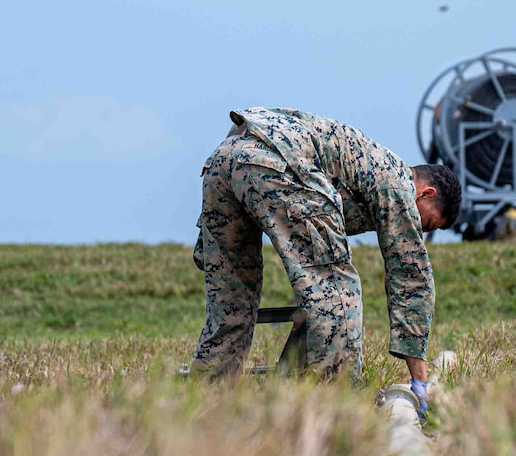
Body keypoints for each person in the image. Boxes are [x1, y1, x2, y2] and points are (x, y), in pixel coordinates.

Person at [189, 107, 460, 408]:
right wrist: (419, 380)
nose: (418, 230)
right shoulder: (399, 185)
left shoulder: (369, 162)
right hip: (277, 161)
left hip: (224, 158)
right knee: (335, 290)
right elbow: (411, 279)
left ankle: (206, 400)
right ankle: (337, 402)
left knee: (230, 298)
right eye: (427, 223)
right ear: (425, 193)